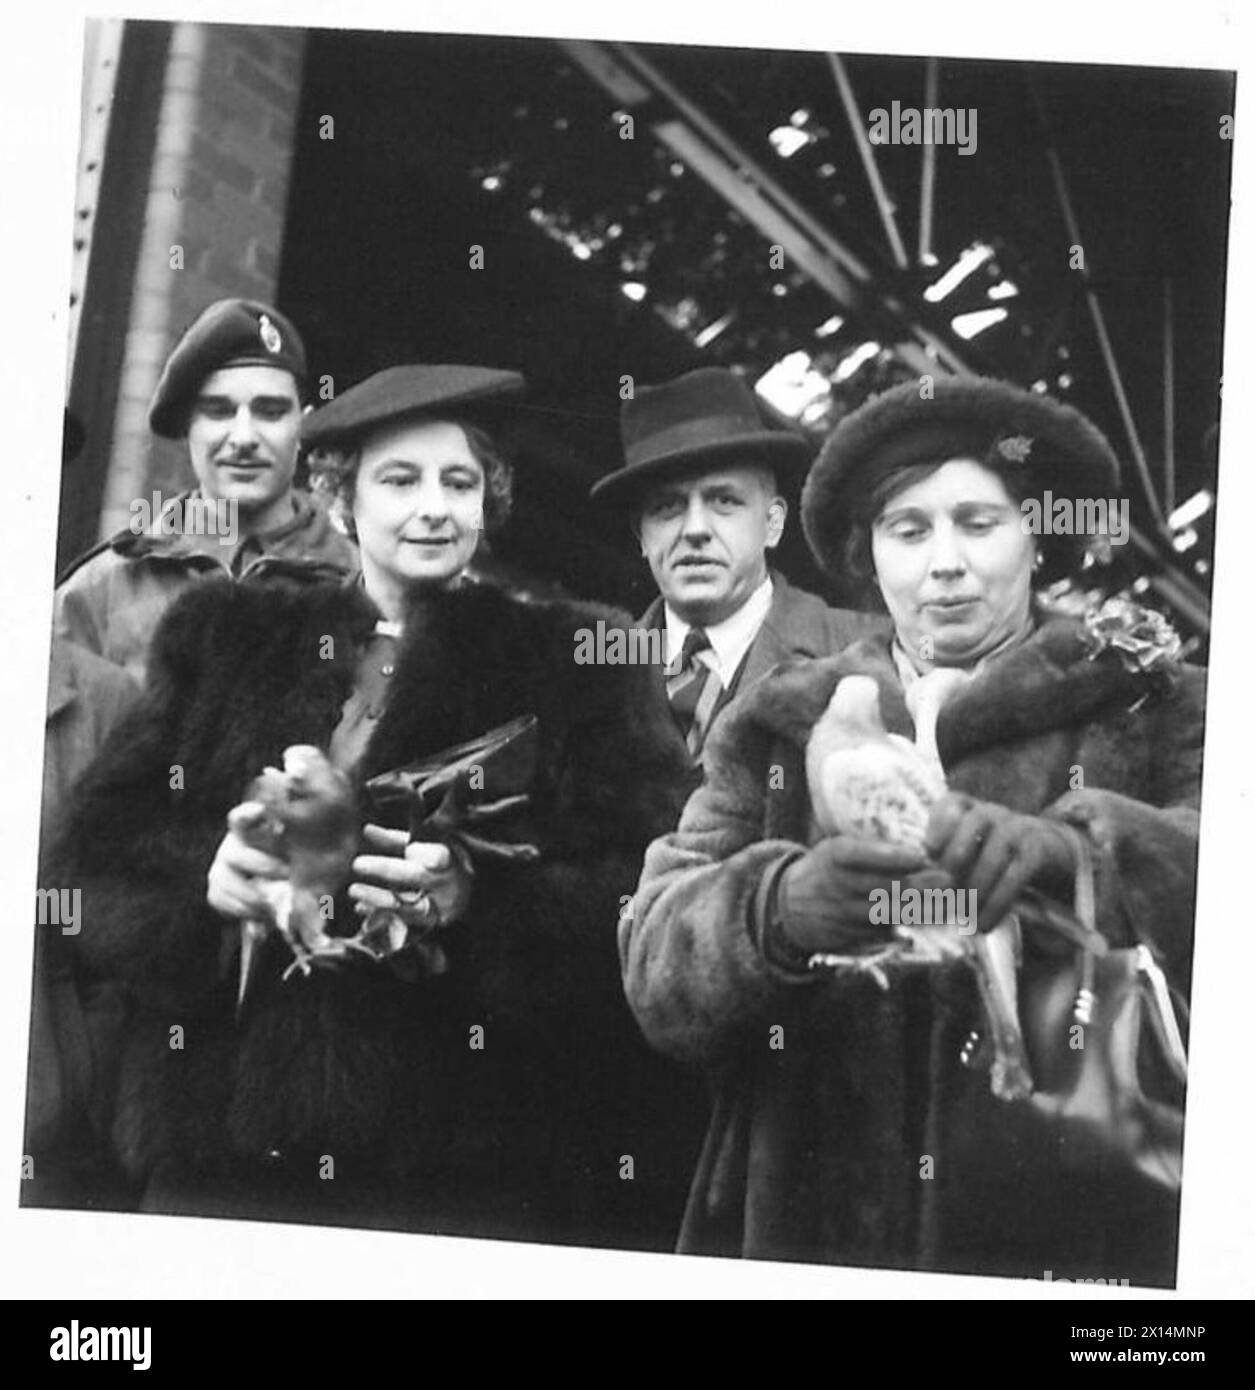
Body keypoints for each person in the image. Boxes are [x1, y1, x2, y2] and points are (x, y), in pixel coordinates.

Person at [41, 364, 702, 1249]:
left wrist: (478, 900)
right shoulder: (223, 635)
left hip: (459, 1170)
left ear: (488, 502)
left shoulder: (580, 657)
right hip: (224, 1146)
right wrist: (211, 884)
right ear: (340, 496)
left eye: (459, 482)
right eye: (399, 479)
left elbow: (646, 888)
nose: (432, 506)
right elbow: (96, 858)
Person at [620, 376, 1205, 1284]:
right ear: (869, 555)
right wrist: (774, 910)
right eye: (908, 530)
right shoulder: (776, 723)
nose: (944, 562)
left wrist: (1082, 854)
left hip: (1072, 1225)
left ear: (1036, 539)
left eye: (979, 523)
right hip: (802, 1238)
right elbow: (653, 959)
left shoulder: (1151, 699)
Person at [53, 298, 356, 683]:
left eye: (270, 411)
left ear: (304, 428)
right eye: (218, 411)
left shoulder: (357, 578)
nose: (244, 437)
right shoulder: (103, 590)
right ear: (187, 427)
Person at [591, 367, 879, 760]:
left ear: (773, 524)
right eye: (666, 507)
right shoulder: (597, 676)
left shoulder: (865, 653)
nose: (695, 529)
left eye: (724, 501)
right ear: (642, 536)